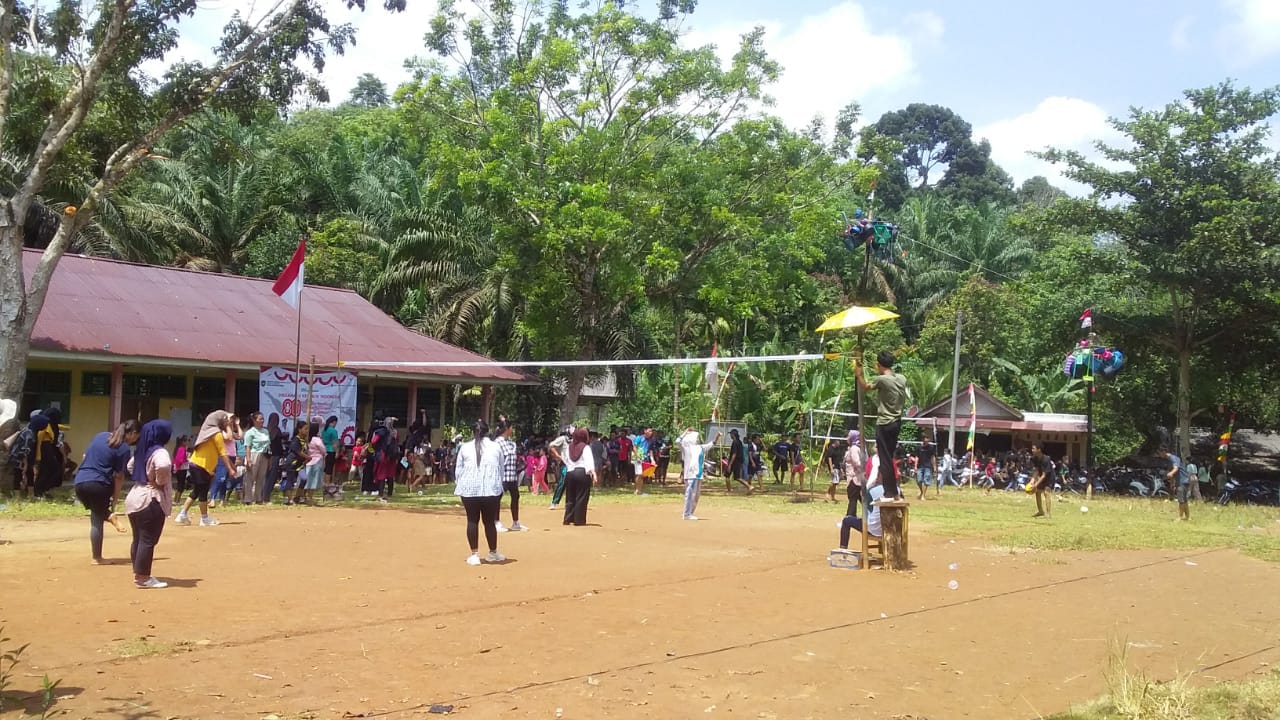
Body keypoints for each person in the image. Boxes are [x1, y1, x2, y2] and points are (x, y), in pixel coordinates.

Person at [72, 419, 140, 563]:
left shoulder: (100, 436)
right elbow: (119, 477)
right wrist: (114, 501)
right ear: (133, 433)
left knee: (96, 513)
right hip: (99, 483)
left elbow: (84, 456)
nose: (135, 440)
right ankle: (97, 558)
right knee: (96, 520)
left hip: (79, 481)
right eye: (137, 437)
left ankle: (108, 515)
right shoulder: (124, 449)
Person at [126, 420, 175, 589]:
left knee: (138, 538)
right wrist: (158, 481)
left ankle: (139, 572)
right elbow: (164, 465)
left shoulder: (142, 450)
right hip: (150, 498)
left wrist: (143, 477)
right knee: (147, 539)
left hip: (135, 496)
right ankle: (142, 577)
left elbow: (130, 466)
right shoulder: (160, 452)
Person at [855, 351, 907, 502]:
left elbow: (866, 386)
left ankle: (889, 493)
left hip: (884, 423)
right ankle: (894, 492)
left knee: (884, 459)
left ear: (878, 365)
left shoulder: (882, 380)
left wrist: (859, 375)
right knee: (889, 458)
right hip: (896, 423)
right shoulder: (902, 378)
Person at [454, 418, 505, 565]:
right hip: (490, 490)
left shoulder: (464, 447)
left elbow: (458, 470)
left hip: (469, 490)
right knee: (489, 522)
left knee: (472, 520)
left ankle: (474, 555)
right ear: (487, 432)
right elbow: (501, 469)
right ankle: (493, 553)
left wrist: (461, 483)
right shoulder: (496, 447)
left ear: (473, 432)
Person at [175, 410, 237, 526]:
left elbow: (222, 453)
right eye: (225, 421)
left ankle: (183, 514)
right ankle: (204, 518)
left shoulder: (209, 432)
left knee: (197, 491)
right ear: (219, 421)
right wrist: (230, 469)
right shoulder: (216, 434)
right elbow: (223, 453)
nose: (227, 423)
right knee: (202, 492)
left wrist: (232, 466)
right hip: (201, 466)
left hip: (197, 465)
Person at [494, 418, 528, 532]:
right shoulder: (497, 443)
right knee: (497, 499)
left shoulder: (511, 443)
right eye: (511, 427)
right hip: (502, 476)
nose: (512, 429)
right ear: (507, 429)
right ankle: (496, 522)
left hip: (512, 476)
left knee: (515, 497)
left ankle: (515, 522)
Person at [678, 427, 720, 520]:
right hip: (690, 474)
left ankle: (690, 513)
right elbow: (678, 441)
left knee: (696, 495)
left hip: (698, 474)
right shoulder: (686, 448)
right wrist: (685, 432)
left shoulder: (700, 448)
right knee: (689, 494)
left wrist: (716, 437)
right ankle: (686, 514)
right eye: (696, 437)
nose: (697, 439)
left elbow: (711, 444)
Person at [834, 483, 886, 553]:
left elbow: (866, 510)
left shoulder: (872, 490)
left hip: (873, 528)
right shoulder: (897, 490)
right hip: (888, 529)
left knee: (846, 520)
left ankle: (842, 550)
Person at [562, 427, 597, 526]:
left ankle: (568, 519)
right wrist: (594, 473)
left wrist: (570, 467)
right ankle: (579, 520)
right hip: (582, 473)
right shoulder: (585, 447)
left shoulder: (569, 447)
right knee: (581, 497)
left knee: (570, 497)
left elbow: (565, 459)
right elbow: (589, 461)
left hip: (570, 473)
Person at [33, 406, 70, 498]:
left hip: (48, 449)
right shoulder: (44, 426)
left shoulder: (52, 425)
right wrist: (38, 456)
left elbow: (63, 427)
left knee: (49, 470)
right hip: (45, 449)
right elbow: (40, 441)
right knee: (49, 470)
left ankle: (43, 490)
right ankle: (40, 491)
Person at [210, 414, 241, 508]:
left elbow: (240, 436)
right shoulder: (221, 432)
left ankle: (222, 500)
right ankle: (212, 498)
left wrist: (237, 425)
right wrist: (227, 425)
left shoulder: (230, 431)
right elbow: (229, 438)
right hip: (223, 456)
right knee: (220, 478)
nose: (231, 421)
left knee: (226, 480)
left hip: (232, 457)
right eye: (229, 420)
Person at [242, 412, 270, 504]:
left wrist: (269, 459)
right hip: (254, 454)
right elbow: (247, 447)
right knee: (250, 477)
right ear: (254, 420)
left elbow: (268, 445)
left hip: (264, 454)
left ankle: (258, 498)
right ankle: (248, 499)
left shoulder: (265, 431)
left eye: (263, 419)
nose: (262, 421)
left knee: (261, 477)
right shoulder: (250, 432)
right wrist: (248, 459)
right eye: (260, 419)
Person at [281, 420, 309, 505]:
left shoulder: (304, 440)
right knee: (290, 481)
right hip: (292, 463)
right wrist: (307, 457)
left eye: (307, 429)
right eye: (305, 429)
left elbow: (304, 451)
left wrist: (306, 458)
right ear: (299, 430)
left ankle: (297, 497)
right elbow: (298, 452)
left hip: (299, 464)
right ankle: (289, 499)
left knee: (304, 479)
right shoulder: (295, 440)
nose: (307, 431)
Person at [843, 430, 866, 517]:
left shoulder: (854, 448)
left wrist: (860, 472)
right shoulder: (860, 448)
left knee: (853, 499)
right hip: (858, 477)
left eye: (848, 436)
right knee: (860, 499)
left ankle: (849, 518)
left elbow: (857, 462)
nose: (847, 438)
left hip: (854, 478)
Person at [1164, 446, 1191, 521]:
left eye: (1159, 453)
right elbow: (1174, 474)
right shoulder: (1170, 460)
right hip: (1183, 481)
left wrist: (1170, 473)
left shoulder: (1173, 458)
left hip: (1182, 481)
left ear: (1164, 452)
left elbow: (1176, 468)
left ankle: (1180, 517)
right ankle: (1187, 517)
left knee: (1181, 500)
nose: (1159, 455)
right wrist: (1172, 484)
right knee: (1184, 500)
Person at [547, 426, 571, 510]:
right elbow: (551, 445)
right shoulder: (563, 439)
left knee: (573, 484)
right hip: (566, 464)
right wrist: (557, 455)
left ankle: (570, 503)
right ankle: (554, 502)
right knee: (562, 482)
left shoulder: (576, 439)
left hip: (575, 464)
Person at [1029, 443, 1054, 519]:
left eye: (1033, 448)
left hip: (1049, 477)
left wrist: (1036, 484)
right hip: (1041, 476)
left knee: (1046, 493)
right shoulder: (1034, 459)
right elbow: (1036, 471)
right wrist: (1032, 481)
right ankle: (1040, 511)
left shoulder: (1046, 459)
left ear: (1039, 450)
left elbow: (1044, 475)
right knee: (1037, 492)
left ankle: (1048, 514)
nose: (1032, 450)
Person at [725, 428, 752, 493]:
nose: (730, 436)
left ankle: (749, 486)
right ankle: (730, 490)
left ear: (733, 435)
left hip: (734, 462)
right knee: (732, 476)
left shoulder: (735, 442)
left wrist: (730, 464)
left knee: (731, 476)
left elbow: (734, 454)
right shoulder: (739, 442)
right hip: (738, 461)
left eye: (731, 434)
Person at [265, 413, 284, 503]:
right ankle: (266, 497)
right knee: (272, 477)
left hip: (267, 456)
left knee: (266, 476)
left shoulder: (266, 430)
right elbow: (279, 445)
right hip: (275, 456)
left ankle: (263, 495)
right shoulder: (277, 430)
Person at [321, 416, 340, 486]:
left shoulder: (324, 430)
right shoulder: (333, 431)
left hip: (324, 450)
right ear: (334, 422)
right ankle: (327, 483)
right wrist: (337, 452)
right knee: (329, 468)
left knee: (325, 467)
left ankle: (324, 482)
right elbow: (335, 443)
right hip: (331, 450)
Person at [824, 439, 844, 503]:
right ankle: (828, 493)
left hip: (837, 467)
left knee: (836, 482)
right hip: (833, 467)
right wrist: (831, 468)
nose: (839, 443)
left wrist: (841, 469)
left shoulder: (837, 449)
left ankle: (832, 496)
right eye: (838, 441)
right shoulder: (830, 449)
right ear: (835, 442)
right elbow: (829, 459)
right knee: (834, 482)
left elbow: (838, 459)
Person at [172, 435, 191, 501]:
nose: (188, 442)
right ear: (183, 442)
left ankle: (176, 499)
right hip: (181, 469)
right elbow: (180, 460)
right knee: (181, 485)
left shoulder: (178, 448)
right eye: (187, 440)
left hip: (178, 469)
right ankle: (177, 500)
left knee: (179, 484)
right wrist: (187, 460)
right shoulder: (182, 449)